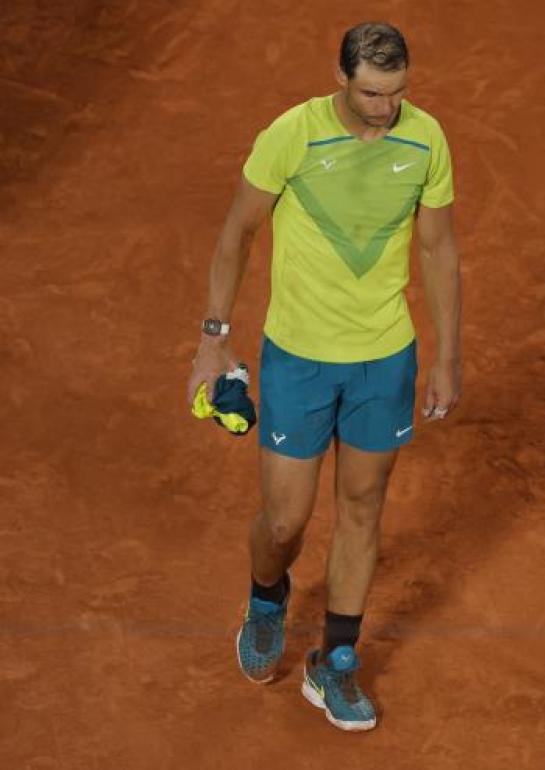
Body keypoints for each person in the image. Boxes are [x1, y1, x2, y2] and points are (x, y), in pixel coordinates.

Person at [185, 21, 461, 732]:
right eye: (371, 93)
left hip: (383, 357)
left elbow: (437, 250)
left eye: (396, 93)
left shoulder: (424, 139)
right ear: (342, 80)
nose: (385, 108)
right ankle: (268, 599)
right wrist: (214, 341)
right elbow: (237, 232)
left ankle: (335, 661)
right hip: (299, 358)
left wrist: (447, 357)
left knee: (363, 509)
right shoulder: (293, 135)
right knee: (285, 519)